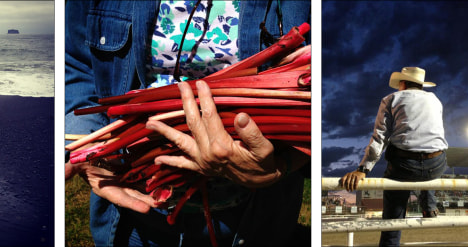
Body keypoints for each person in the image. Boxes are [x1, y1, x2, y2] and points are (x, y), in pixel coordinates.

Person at [65, 1, 311, 246]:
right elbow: (77, 61)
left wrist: (281, 166)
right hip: (133, 214)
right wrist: (88, 139)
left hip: (256, 219)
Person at [340, 67, 449, 247]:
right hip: (436, 163)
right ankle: (429, 205)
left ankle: (391, 239)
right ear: (421, 84)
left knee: (392, 217)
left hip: (405, 166)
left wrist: (363, 169)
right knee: (430, 154)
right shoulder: (435, 99)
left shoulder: (391, 99)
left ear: (402, 83)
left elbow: (380, 137)